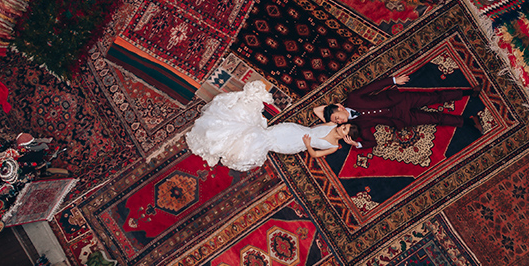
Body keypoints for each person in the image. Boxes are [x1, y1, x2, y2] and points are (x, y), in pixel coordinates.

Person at [185, 81, 360, 171]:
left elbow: (315, 154)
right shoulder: (330, 124)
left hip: (295, 145)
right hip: (294, 130)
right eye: (342, 125)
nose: (340, 127)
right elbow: (317, 110)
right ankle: (231, 135)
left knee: (265, 143)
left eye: (343, 129)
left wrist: (308, 145)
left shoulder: (334, 147)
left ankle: (235, 143)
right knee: (261, 134)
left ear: (346, 136)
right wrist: (340, 112)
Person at [313, 74, 483, 149]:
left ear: (340, 107)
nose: (339, 121)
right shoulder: (356, 126)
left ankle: (468, 92)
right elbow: (371, 143)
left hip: (400, 100)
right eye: (336, 122)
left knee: (434, 98)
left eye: (337, 117)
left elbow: (372, 87)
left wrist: (393, 80)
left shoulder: (352, 98)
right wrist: (356, 144)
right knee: (434, 118)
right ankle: (468, 122)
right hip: (401, 118)